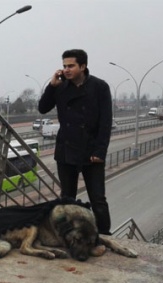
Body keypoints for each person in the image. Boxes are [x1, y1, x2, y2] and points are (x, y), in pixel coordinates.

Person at [38, 49, 113, 235]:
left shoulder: (99, 87)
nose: (66, 70)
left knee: (98, 199)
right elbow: (42, 108)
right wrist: (52, 86)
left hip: (91, 151)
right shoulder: (61, 87)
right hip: (66, 150)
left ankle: (104, 235)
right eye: (64, 66)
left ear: (83, 66)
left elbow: (105, 122)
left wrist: (100, 151)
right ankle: (67, 234)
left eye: (71, 66)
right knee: (67, 199)